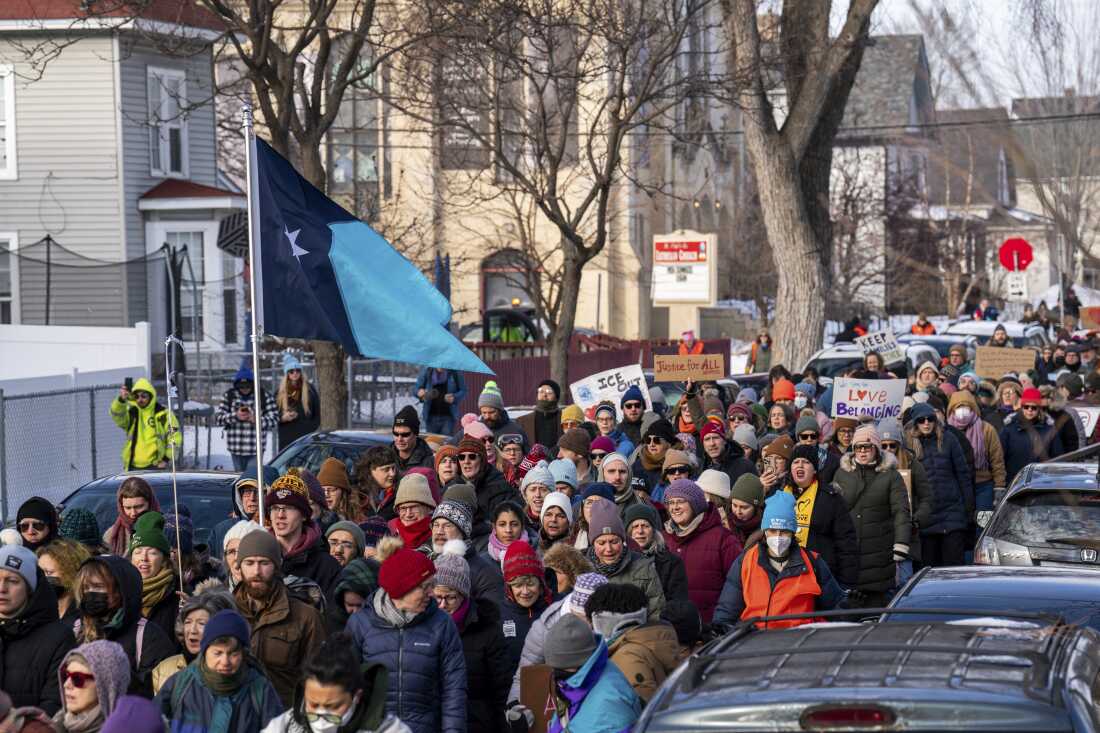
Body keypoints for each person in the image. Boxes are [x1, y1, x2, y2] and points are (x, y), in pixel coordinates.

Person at [346, 547, 466, 733]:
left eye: (432, 585)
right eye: (425, 587)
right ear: (401, 589)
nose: (432, 593)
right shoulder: (360, 624)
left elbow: (454, 689)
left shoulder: (442, 624)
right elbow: (346, 685)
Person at [713, 492, 847, 628]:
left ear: (793, 532)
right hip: (756, 642)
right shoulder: (746, 561)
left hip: (799, 642)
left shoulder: (813, 563)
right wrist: (721, 631)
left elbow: (836, 607)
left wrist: (849, 607)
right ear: (764, 531)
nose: (778, 537)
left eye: (784, 531)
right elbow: (727, 611)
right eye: (772, 531)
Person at [232, 530, 326, 706]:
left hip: (284, 718)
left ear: (276, 565)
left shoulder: (306, 617)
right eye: (249, 563)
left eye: (264, 563)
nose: (256, 571)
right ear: (239, 567)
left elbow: (318, 680)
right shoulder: (224, 612)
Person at [156, 608, 283, 732]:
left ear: (244, 654)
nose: (225, 662)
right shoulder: (180, 684)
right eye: (218, 653)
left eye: (233, 654)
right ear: (205, 652)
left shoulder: (261, 689)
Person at [261, 634, 410, 733]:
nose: (321, 715)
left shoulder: (389, 729)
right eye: (313, 704)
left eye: (333, 706)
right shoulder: (284, 727)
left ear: (356, 697)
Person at [71, 556, 176, 696]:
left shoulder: (148, 636)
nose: (90, 593)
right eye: (86, 588)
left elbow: (156, 694)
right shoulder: (76, 630)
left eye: (98, 587)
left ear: (120, 591)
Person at [831, 424, 911, 608]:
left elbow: (901, 511)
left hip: (879, 553)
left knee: (877, 609)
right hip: (850, 553)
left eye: (867, 447)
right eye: (858, 447)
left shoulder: (891, 476)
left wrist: (901, 544)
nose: (862, 451)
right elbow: (834, 511)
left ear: (876, 448)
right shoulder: (842, 474)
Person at [432, 547, 509, 733]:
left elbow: (501, 689)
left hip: (476, 723)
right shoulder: (424, 626)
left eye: (450, 597)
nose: (442, 605)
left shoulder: (487, 629)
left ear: (464, 595)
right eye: (437, 597)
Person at [504, 572, 606, 707]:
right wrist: (514, 706)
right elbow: (525, 676)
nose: (586, 625)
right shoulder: (546, 625)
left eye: (591, 620)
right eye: (580, 617)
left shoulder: (617, 626)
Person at [0, 545, 74, 714]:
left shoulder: (59, 639)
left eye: (12, 581)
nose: (2, 588)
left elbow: (55, 704)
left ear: (30, 588)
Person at [659, 478, 740, 623]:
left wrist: (720, 624)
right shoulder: (663, 539)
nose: (675, 507)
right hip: (671, 629)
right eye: (671, 502)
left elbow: (737, 586)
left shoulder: (723, 539)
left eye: (681, 501)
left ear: (695, 504)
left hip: (712, 630)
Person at [584, 583, 680, 704]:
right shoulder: (638, 645)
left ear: (602, 622)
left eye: (591, 623)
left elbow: (640, 713)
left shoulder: (628, 656)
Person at [542, 615, 641, 733]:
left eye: (561, 666)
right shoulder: (571, 683)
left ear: (579, 661)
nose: (556, 672)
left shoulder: (612, 706)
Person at [784, 446, 859, 589]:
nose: (800, 465)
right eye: (796, 462)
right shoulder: (779, 495)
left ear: (815, 469)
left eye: (806, 462)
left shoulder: (831, 498)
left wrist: (846, 585)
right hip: (786, 576)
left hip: (821, 577)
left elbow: (846, 543)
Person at [151, 582, 236, 695]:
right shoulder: (164, 670)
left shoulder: (233, 670)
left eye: (201, 623)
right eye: (188, 622)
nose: (192, 630)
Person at [584, 498, 664, 616]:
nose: (609, 549)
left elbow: (656, 612)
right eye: (601, 543)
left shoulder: (643, 567)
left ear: (623, 541)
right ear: (593, 544)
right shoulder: (581, 568)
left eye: (614, 541)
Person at [265, 474, 342, 596]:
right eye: (275, 508)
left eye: (288, 507)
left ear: (304, 515)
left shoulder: (326, 566)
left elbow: (334, 612)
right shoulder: (259, 557)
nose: (280, 515)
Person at [428, 500, 504, 602]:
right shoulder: (428, 563)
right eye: (436, 525)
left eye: (447, 525)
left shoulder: (484, 573)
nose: (439, 531)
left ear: (463, 532)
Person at [498, 541, 553, 682]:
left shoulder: (554, 609)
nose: (525, 591)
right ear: (509, 587)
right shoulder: (497, 614)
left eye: (530, 584)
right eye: (518, 585)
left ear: (540, 583)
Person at [51, 640, 131, 733]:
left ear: (105, 685)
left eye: (77, 678)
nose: (66, 685)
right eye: (65, 675)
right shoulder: (53, 726)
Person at [946, 390, 1005, 514]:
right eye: (958, 407)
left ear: (973, 408)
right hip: (957, 485)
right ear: (952, 410)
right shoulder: (946, 431)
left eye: (965, 406)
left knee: (982, 522)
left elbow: (997, 460)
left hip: (983, 485)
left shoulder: (986, 429)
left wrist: (999, 486)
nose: (962, 410)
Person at [126, 512, 180, 646]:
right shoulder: (120, 592)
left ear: (164, 560)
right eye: (138, 552)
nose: (143, 558)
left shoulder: (178, 595)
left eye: (152, 552)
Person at [214, 366, 280, 472]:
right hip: (235, 448)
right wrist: (236, 416)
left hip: (255, 449)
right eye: (241, 387)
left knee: (251, 480)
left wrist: (256, 419)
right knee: (239, 479)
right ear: (236, 385)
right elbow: (218, 419)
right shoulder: (229, 396)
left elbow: (275, 419)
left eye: (247, 386)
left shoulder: (263, 396)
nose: (244, 389)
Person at [110, 377, 180, 471]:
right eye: (137, 396)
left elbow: (175, 437)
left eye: (143, 396)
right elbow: (117, 415)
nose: (140, 399)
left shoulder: (163, 414)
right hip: (132, 468)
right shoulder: (132, 413)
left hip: (155, 468)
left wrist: (166, 459)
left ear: (151, 396)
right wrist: (121, 400)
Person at [211, 466, 279, 560]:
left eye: (258, 492)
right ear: (239, 495)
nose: (252, 498)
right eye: (247, 491)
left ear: (270, 494)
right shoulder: (221, 530)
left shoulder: (280, 530)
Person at [624, 504, 688, 602]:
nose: (640, 531)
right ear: (628, 532)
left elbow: (676, 601)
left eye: (645, 526)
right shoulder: (620, 560)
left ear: (653, 531)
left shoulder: (672, 563)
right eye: (635, 526)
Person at [455, 435, 521, 532]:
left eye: (472, 457)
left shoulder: (500, 487)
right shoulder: (452, 487)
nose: (466, 461)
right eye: (461, 457)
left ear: (482, 460)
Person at [1000, 387, 1064, 485]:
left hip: (1041, 482)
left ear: (1039, 409)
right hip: (1014, 482)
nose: (1030, 410)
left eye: (1034, 407)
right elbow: (1000, 457)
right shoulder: (1009, 428)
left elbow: (1057, 457)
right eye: (1026, 406)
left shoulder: (1049, 429)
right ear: (1021, 407)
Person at [36, 539, 91, 626]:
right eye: (39, 572)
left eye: (49, 572)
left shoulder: (85, 617)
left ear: (71, 572)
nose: (41, 578)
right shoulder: (36, 611)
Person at [103, 477, 161, 557]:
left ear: (150, 503)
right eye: (128, 508)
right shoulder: (111, 535)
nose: (133, 513)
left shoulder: (165, 530)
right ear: (121, 507)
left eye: (139, 507)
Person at [276, 354, 321, 451]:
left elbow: (317, 415)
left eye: (298, 370)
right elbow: (273, 416)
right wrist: (282, 418)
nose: (295, 373)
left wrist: (308, 429)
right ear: (287, 373)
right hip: (286, 441)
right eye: (291, 371)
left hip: (305, 439)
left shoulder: (310, 390)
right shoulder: (279, 393)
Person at [386, 473, 437, 554]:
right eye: (403, 508)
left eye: (414, 507)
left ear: (428, 508)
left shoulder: (439, 539)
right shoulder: (390, 537)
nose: (408, 514)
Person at [698, 421, 756, 489]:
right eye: (707, 439)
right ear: (703, 445)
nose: (712, 443)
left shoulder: (745, 466)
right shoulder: (702, 469)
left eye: (716, 438)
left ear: (724, 441)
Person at [414, 366, 466, 437]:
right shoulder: (427, 371)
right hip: (430, 417)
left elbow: (463, 391)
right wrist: (419, 392)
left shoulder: (455, 372)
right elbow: (415, 389)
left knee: (446, 444)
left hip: (448, 417)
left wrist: (454, 397)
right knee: (432, 443)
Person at [475, 381, 529, 446]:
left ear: (500, 410)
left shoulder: (516, 431)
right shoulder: (474, 430)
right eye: (484, 413)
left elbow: (526, 454)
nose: (487, 416)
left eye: (491, 412)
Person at [632, 418, 677, 496]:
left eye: (656, 440)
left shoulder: (677, 463)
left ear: (668, 443)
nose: (652, 444)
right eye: (648, 440)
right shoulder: (638, 465)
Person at [516, 379, 563, 449]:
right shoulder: (522, 421)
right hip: (531, 459)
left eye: (549, 392)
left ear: (556, 397)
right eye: (541, 391)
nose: (544, 395)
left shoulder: (565, 419)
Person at [356, 446, 399, 519]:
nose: (392, 473)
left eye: (393, 468)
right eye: (386, 469)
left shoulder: (400, 493)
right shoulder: (357, 495)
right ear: (371, 470)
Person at [220, 520, 264, 591]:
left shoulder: (282, 596)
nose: (236, 558)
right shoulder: (216, 598)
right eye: (231, 551)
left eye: (244, 550)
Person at [390, 406, 434, 475]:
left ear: (415, 434)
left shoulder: (429, 462)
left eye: (405, 435)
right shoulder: (385, 457)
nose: (399, 439)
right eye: (396, 434)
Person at [727, 474, 764, 549]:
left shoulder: (765, 530)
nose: (738, 512)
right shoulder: (724, 522)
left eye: (744, 507)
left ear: (756, 508)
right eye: (734, 505)